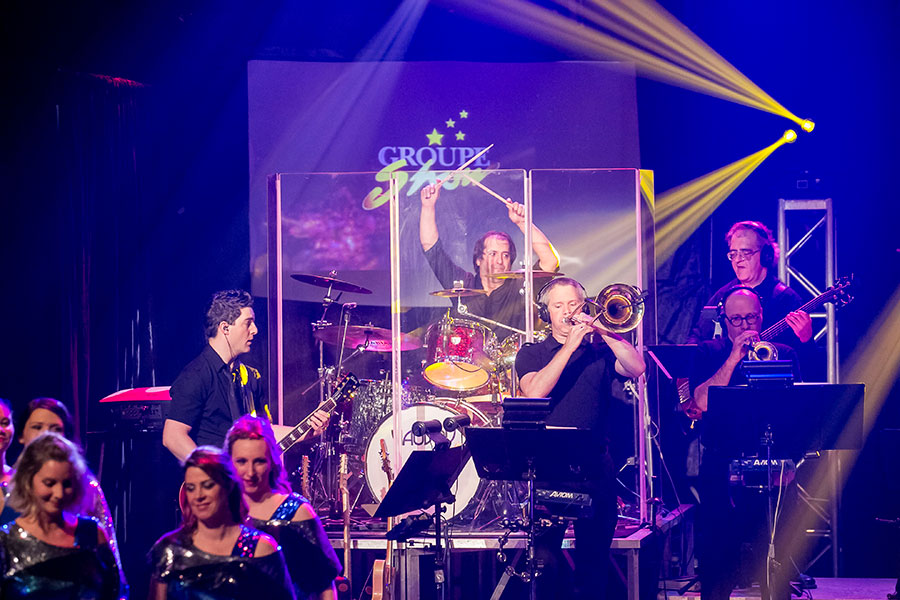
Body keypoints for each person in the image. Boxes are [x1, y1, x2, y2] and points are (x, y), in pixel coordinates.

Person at [514, 277, 646, 599]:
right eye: (558, 306)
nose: (567, 312)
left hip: (595, 466)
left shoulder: (600, 352)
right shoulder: (532, 353)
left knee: (594, 563)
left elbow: (637, 366)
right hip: (548, 466)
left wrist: (604, 331)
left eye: (573, 304)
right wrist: (569, 346)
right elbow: (534, 391)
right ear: (546, 313)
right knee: (545, 562)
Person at [687, 287, 801, 600]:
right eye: (736, 319)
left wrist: (792, 461)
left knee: (776, 561)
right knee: (719, 558)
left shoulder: (783, 352)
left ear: (761, 317)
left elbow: (797, 410)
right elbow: (701, 402)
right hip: (722, 466)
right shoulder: (708, 352)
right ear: (724, 321)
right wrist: (733, 357)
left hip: (773, 466)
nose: (744, 325)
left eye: (750, 317)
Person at [163, 289, 328, 462]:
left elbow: (264, 432)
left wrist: (309, 430)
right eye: (248, 323)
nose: (255, 330)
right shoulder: (196, 375)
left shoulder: (249, 377)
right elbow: (173, 436)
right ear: (225, 328)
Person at [148, 446, 295, 600]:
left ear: (228, 487)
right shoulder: (169, 549)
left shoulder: (261, 548)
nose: (198, 496)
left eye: (208, 486)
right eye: (191, 488)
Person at [0, 397, 122, 576]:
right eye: (37, 427)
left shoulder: (87, 488)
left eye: (56, 429)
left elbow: (110, 567)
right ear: (21, 434)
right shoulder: (10, 487)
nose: (47, 435)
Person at [419, 182, 559, 336]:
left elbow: (550, 261)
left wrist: (523, 223)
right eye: (493, 254)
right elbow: (431, 249)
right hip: (470, 353)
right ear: (478, 260)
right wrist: (428, 207)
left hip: (514, 352)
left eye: (505, 255)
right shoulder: (464, 284)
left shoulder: (520, 287)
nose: (500, 261)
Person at [226, 415, 341, 600]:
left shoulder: (296, 511)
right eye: (241, 461)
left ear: (271, 462)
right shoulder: (220, 509)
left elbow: (324, 586)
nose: (250, 471)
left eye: (259, 461)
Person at [686, 221, 812, 349]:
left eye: (746, 252)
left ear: (766, 255)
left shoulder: (786, 299)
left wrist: (805, 338)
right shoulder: (723, 295)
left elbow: (806, 358)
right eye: (733, 254)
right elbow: (697, 337)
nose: (737, 260)